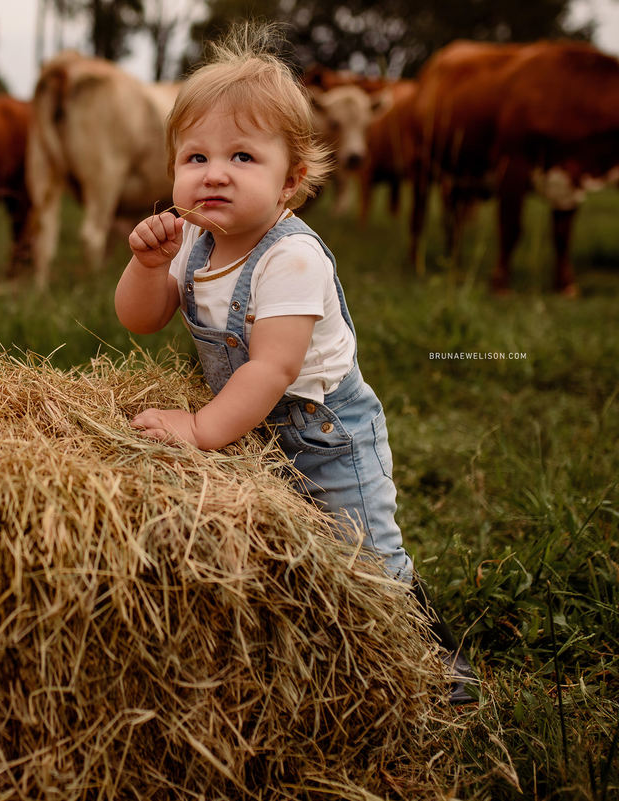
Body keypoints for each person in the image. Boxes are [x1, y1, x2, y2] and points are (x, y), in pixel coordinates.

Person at [113, 27, 478, 704]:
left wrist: (199, 429)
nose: (214, 173)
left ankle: (439, 667)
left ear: (292, 180)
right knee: (284, 554)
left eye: (242, 156)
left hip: (325, 433)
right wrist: (146, 266)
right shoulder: (193, 238)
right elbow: (142, 317)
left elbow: (272, 369)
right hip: (250, 424)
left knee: (364, 557)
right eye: (195, 156)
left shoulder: (291, 258)